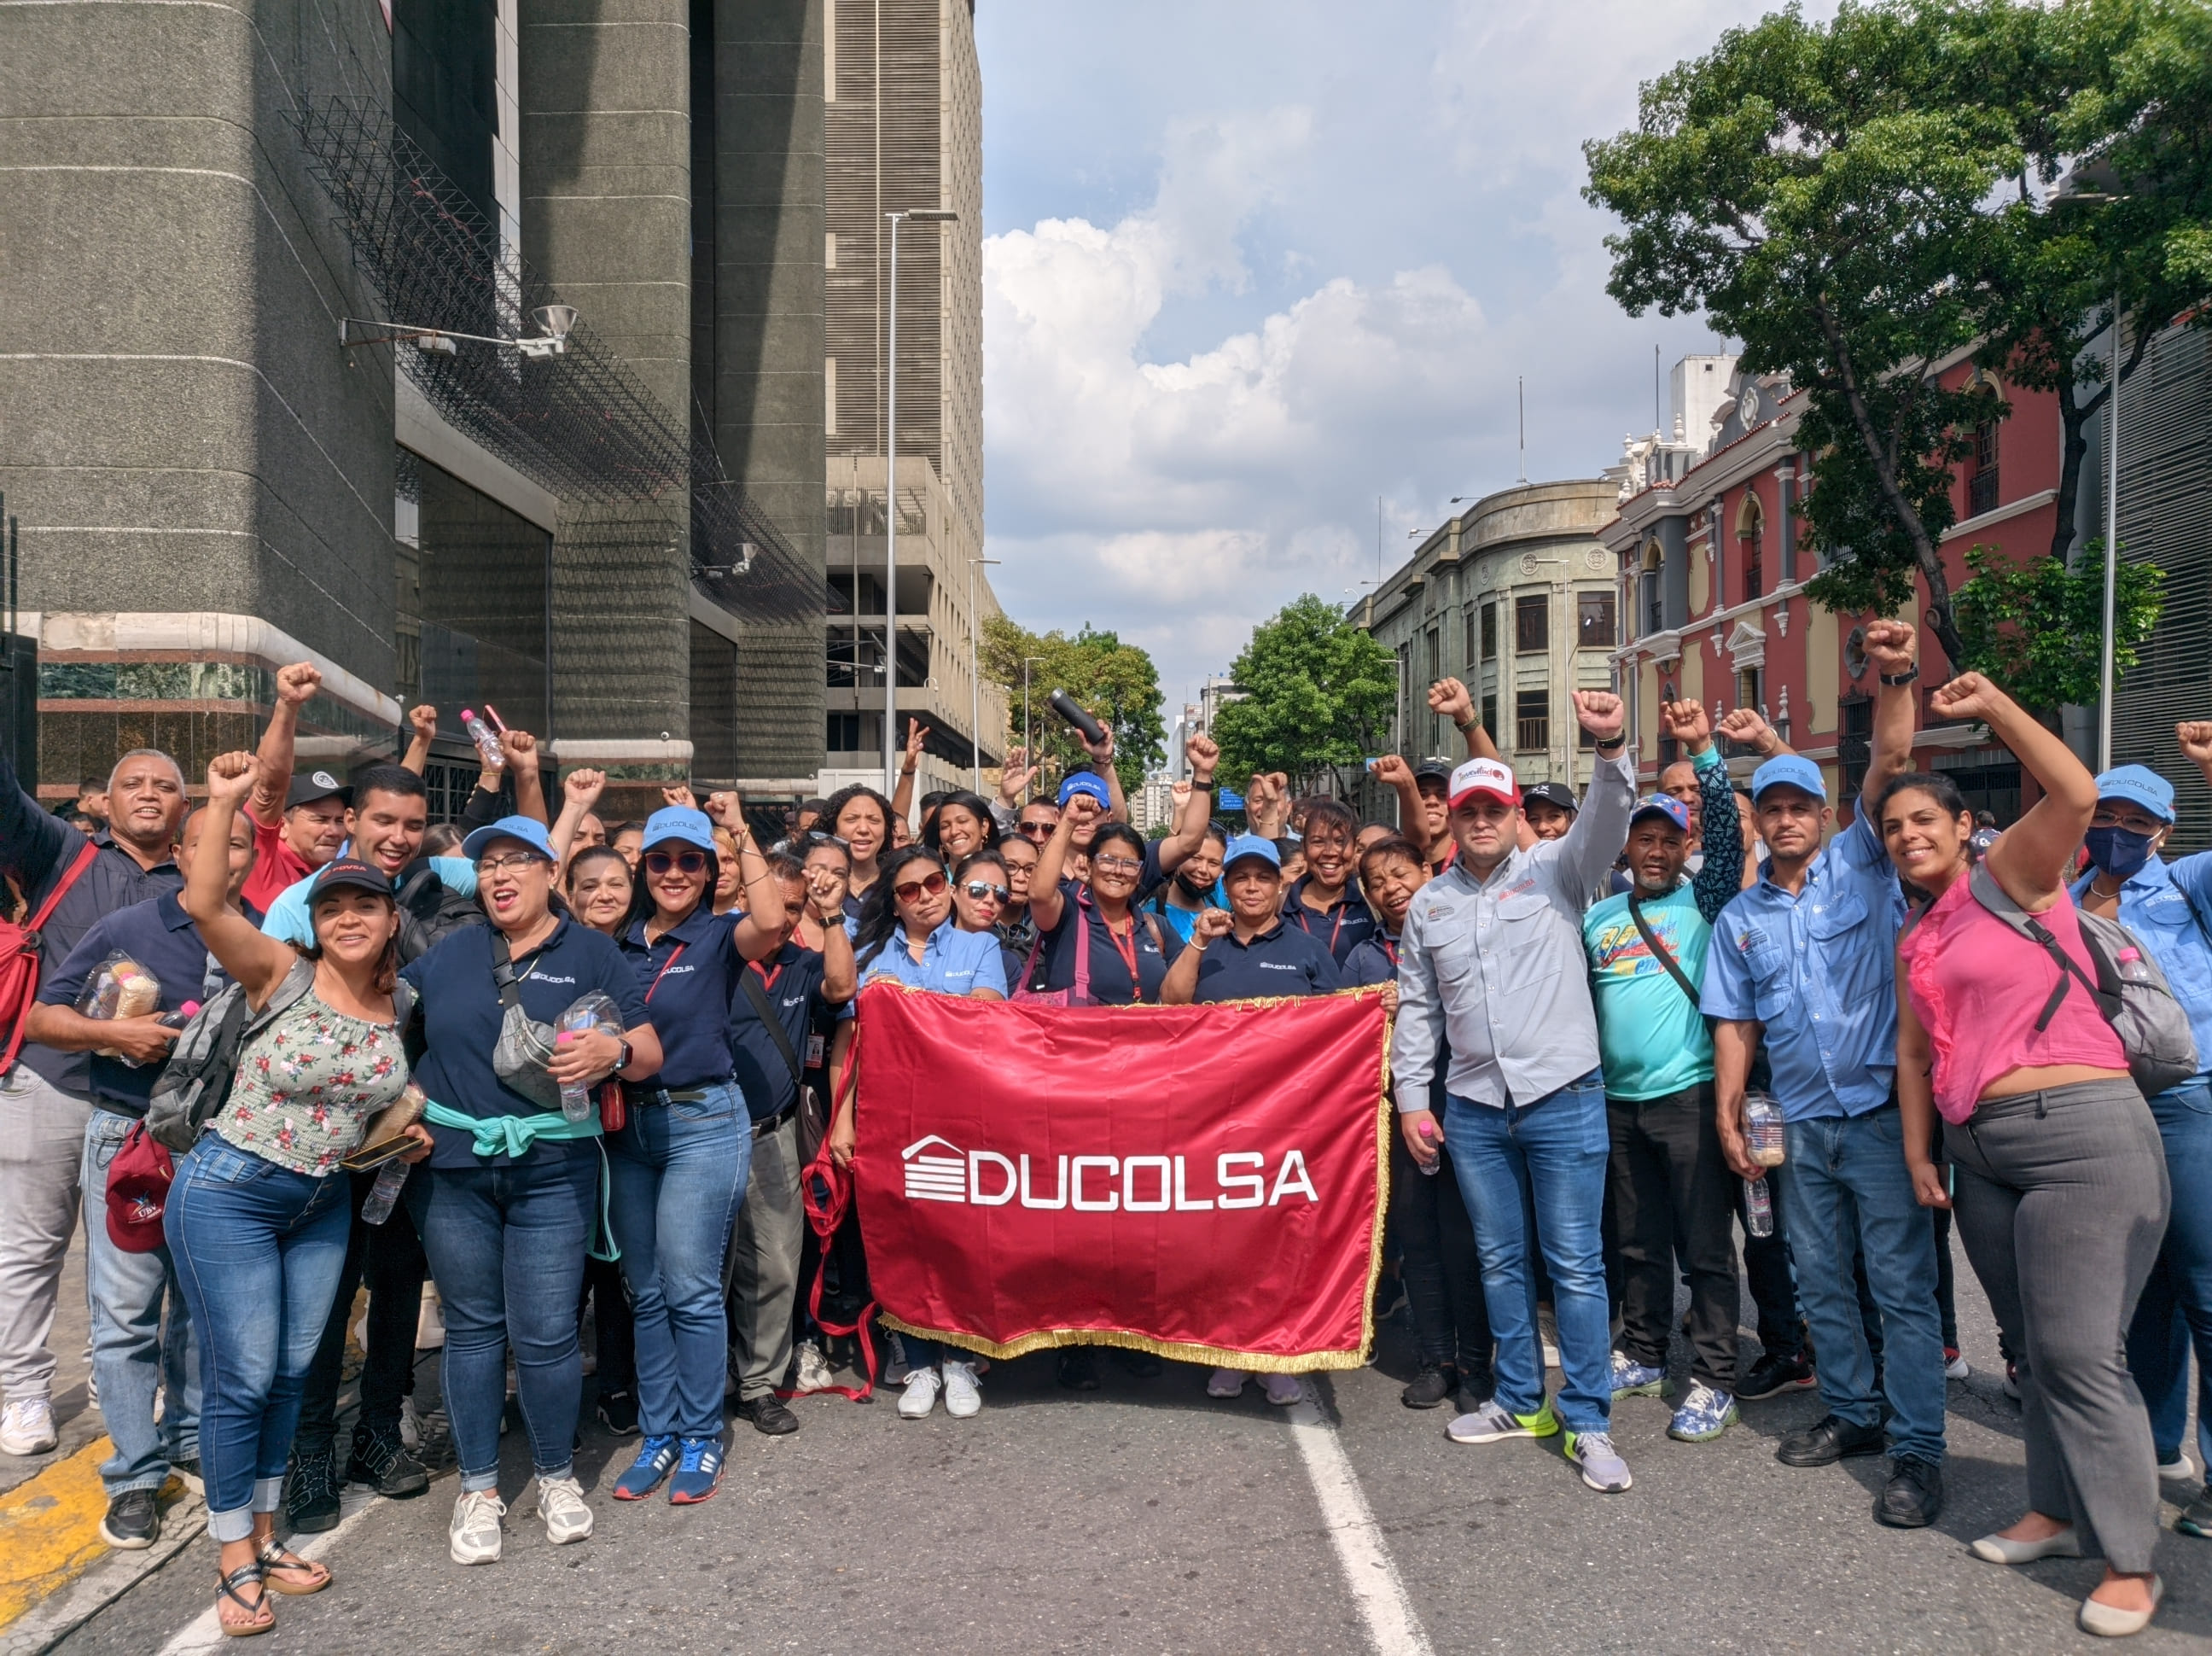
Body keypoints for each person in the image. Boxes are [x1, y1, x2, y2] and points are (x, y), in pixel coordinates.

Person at [1889, 673, 2168, 1638]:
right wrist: (1924, 1154)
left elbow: (2078, 794)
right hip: (1980, 1157)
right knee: (2033, 1354)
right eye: (1893, 826)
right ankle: (2053, 1512)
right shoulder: (1918, 934)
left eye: (1924, 817)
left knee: (2085, 1351)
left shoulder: (2011, 872)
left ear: (1966, 825)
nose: (1907, 834)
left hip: (2082, 1137)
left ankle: (2132, 1559)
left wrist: (2000, 707)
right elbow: (1915, 1053)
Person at [166, 751, 428, 1637]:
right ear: (315, 920)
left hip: (323, 1202)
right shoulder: (280, 970)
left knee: (286, 1372)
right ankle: (234, 1554)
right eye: (334, 906)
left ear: (394, 918)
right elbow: (203, 903)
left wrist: (403, 1128)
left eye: (366, 904)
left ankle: (269, 1534)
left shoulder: (402, 1000)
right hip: (229, 1192)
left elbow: (380, 1103)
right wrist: (226, 799)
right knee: (241, 1378)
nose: (350, 917)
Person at [1704, 618, 1947, 1531]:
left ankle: (1918, 1448)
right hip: (1798, 1124)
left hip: (1884, 1117)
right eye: (1771, 808)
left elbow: (1891, 749)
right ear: (1759, 820)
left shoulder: (1862, 862)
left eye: (1800, 805)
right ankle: (1852, 1412)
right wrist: (1732, 1113)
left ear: (1821, 813)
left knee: (1901, 1286)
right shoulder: (1740, 918)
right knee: (1820, 1282)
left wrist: (1895, 670)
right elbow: (1736, 1021)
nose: (1787, 819)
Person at [1389, 691, 1635, 1496]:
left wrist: (1609, 748)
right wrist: (1412, 1101)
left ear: (1515, 813)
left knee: (1574, 1265)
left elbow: (1605, 820)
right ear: (1451, 821)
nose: (1484, 821)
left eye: (1498, 808)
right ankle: (1521, 1401)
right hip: (1474, 1110)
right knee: (1499, 1259)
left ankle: (1589, 1418)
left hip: (1563, 1097)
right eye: (1470, 810)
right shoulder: (1429, 904)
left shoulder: (1558, 872)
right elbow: (1419, 1009)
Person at [400, 813, 662, 1566]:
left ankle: (554, 1473)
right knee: (475, 1329)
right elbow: (386, 1026)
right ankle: (479, 1487)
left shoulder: (591, 952)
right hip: (453, 1169)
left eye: (519, 862)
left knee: (547, 1333)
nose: (502, 876)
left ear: (553, 873)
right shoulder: (448, 953)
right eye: (488, 866)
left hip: (553, 1170)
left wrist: (614, 1049)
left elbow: (648, 1049)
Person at [259, 766, 473, 1532]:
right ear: (352, 820)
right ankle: (310, 1450)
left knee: (394, 1292)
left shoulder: (440, 885)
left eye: (413, 825)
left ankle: (379, 1434)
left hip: (406, 1143)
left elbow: (530, 870)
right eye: (384, 821)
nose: (398, 837)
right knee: (321, 1302)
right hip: (321, 1148)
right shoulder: (296, 902)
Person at [0, 743, 189, 1534]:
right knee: (33, 1244)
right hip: (52, 1078)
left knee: (137, 1260)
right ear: (103, 805)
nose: (149, 795)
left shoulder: (197, 884)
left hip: (146, 1107)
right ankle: (23, 1390)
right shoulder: (65, 854)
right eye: (132, 785)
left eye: (166, 786)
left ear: (187, 807)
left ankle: (123, 1382)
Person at [605, 801, 786, 1504]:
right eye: (661, 861)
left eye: (690, 861)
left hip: (703, 1121)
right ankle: (660, 1433)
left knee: (690, 1286)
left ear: (711, 872)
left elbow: (772, 923)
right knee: (645, 1292)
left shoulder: (716, 936)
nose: (675, 872)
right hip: (630, 1129)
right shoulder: (617, 943)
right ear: (642, 870)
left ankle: (703, 1436)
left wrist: (741, 831)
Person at [1580, 700, 1743, 1443]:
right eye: (1642, 840)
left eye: (1667, 841)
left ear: (1685, 849)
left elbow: (1732, 835)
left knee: (1703, 1245)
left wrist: (1705, 755)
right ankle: (1643, 1352)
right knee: (1638, 1240)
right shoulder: (1600, 920)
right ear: (1625, 849)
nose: (1654, 851)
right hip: (1617, 1104)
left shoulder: (1706, 902)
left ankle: (1714, 1377)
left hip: (1689, 1095)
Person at [2077, 735, 2212, 1536]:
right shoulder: (2063, 896)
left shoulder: (2188, 882)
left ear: (2164, 830)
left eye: (2139, 820)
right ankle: (2160, 1448)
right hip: (2105, 1109)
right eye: (2106, 814)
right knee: (2145, 1291)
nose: (2120, 830)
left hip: (2187, 1101)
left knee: (2204, 1288)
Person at [1160, 835, 1339, 1403]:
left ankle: (1276, 1354)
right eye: (1241, 878)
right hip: (1214, 1118)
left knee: (1280, 1237)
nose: (1253, 887)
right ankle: (1227, 1351)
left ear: (1281, 884)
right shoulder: (1203, 942)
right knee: (1221, 1240)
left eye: (1263, 877)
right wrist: (1196, 943)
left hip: (1290, 1122)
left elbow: (1341, 1028)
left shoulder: (1309, 952)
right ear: (1226, 886)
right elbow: (1169, 1005)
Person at [846, 845, 1006, 1420]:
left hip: (964, 1115)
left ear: (948, 883)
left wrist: (906, 1004)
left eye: (933, 883)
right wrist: (843, 1121)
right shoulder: (868, 953)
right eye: (908, 890)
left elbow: (986, 1014)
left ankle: (960, 1360)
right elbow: (853, 1044)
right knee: (903, 1240)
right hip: (891, 1118)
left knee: (963, 1239)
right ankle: (916, 1360)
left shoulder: (980, 944)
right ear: (893, 902)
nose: (925, 897)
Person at [1347, 837, 1493, 1410]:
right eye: (1377, 882)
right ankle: (1437, 1359)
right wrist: (1368, 1009)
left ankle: (1479, 1362)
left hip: (1470, 1100)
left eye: (1400, 873)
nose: (1391, 888)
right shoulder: (1363, 956)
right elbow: (1337, 1038)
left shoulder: (1467, 931)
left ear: (1427, 871)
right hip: (1398, 1109)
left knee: (1471, 1235)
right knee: (1420, 1235)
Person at [725, 849, 855, 1436]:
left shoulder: (804, 963)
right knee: (708, 1268)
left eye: (792, 910)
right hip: (704, 1134)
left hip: (771, 1134)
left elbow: (843, 984)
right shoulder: (716, 956)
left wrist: (830, 917)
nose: (779, 922)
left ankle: (759, 1384)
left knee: (777, 1263)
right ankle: (708, 1381)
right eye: (771, 908)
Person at [562, 845, 640, 1435]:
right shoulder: (552, 949)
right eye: (589, 885)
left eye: (616, 883)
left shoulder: (644, 948)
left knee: (616, 1264)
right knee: (562, 1269)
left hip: (627, 1126)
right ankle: (553, 1389)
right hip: (560, 1132)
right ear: (567, 891)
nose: (604, 895)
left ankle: (616, 1380)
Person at [1026, 797, 1184, 1006]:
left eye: (1129, 864)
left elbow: (1184, 992)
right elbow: (1040, 894)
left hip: (1145, 1037)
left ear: (1139, 875)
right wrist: (1068, 822)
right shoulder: (1070, 914)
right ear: (1089, 866)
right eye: (1108, 860)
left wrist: (1200, 941)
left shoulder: (1156, 927)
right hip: (1078, 1036)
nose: (1118, 871)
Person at [238, 664, 348, 912]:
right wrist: (287, 706)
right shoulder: (260, 860)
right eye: (320, 819)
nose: (333, 831)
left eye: (339, 821)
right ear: (283, 826)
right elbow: (269, 787)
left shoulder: (342, 875)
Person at [1280, 798, 1375, 966]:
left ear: (1354, 847)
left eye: (1340, 842)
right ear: (1303, 847)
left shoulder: (1371, 897)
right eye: (1318, 841)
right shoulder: (1280, 902)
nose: (1330, 852)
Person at [1144, 823, 1226, 946]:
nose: (1203, 869)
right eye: (1196, 858)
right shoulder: (1152, 914)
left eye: (1213, 863)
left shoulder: (1219, 899)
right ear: (1178, 858)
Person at [819, 784, 894, 915]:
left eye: (874, 820)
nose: (863, 829)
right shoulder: (818, 883)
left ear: (885, 830)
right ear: (834, 829)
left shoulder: (896, 883)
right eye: (851, 819)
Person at [923, 790, 999, 862]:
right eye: (945, 826)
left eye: (962, 821)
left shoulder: (1003, 874)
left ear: (984, 826)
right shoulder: (934, 876)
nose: (954, 831)